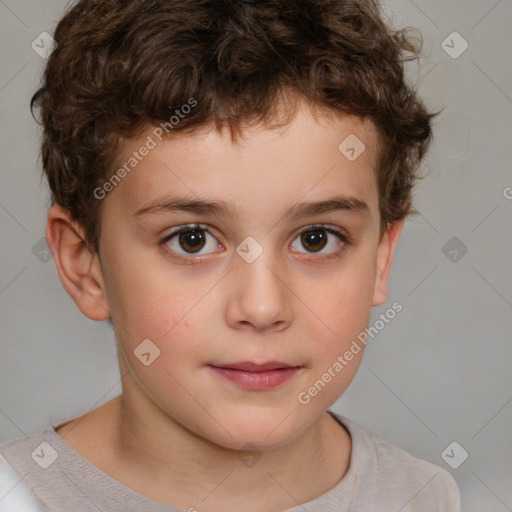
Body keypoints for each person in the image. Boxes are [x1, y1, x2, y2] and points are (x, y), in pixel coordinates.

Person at [0, 0, 461, 510]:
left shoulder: (424, 496)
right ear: (86, 266)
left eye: (317, 239)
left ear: (380, 258)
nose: (263, 308)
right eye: (192, 240)